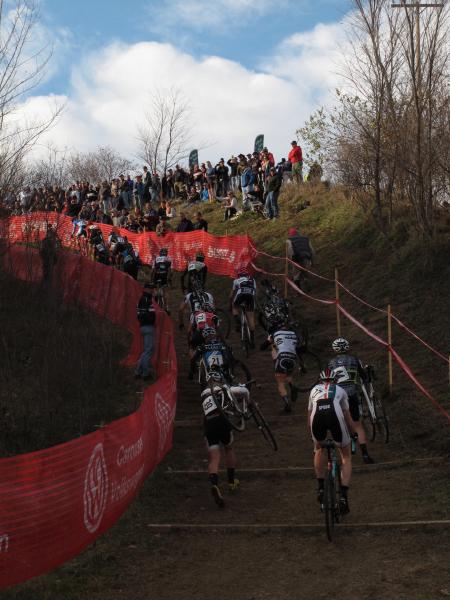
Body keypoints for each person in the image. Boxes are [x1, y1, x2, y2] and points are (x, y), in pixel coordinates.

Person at [308, 368, 356, 514]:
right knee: (346, 456)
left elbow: (309, 416)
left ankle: (321, 486)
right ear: (336, 380)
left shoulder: (314, 390)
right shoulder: (340, 390)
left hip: (317, 419)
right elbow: (347, 417)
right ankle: (343, 497)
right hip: (335, 417)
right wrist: (353, 434)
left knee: (319, 449)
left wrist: (314, 439)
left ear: (320, 380)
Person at [327, 338, 374, 464]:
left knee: (340, 423)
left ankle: (342, 455)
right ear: (347, 348)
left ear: (334, 349)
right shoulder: (354, 360)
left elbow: (328, 381)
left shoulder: (331, 363)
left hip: (338, 395)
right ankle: (365, 454)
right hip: (352, 394)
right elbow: (364, 376)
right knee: (358, 424)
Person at [201, 377, 240, 507]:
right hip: (222, 421)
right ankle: (231, 481)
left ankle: (214, 484)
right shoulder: (224, 389)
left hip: (209, 424)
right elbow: (242, 393)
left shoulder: (204, 395)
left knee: (214, 457)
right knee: (229, 448)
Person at [260, 320, 299, 413]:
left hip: (281, 357)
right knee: (288, 375)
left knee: (280, 383)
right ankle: (292, 386)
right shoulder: (293, 333)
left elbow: (262, 347)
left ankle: (287, 403)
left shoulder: (274, 333)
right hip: (293, 358)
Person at [230, 270, 257, 348]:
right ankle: (252, 340)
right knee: (251, 318)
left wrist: (230, 305)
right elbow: (255, 292)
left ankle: (237, 321)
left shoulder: (236, 280)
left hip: (241, 294)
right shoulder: (252, 280)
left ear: (239, 275)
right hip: (250, 296)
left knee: (234, 306)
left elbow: (231, 295)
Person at [135, 283, 156, 380]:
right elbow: (147, 314)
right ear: (146, 289)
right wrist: (151, 319)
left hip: (143, 326)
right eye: (151, 288)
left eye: (153, 288)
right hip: (148, 326)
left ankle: (138, 372)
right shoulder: (147, 299)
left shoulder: (141, 299)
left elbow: (139, 314)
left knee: (145, 351)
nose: (152, 290)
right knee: (148, 351)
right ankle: (145, 374)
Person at [151, 248, 172, 314]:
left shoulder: (156, 259)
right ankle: (167, 307)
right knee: (165, 291)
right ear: (166, 254)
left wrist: (151, 279)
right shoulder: (168, 259)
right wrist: (169, 279)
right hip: (164, 276)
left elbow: (152, 271)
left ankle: (154, 303)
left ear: (160, 253)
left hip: (157, 276)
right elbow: (170, 271)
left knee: (154, 289)